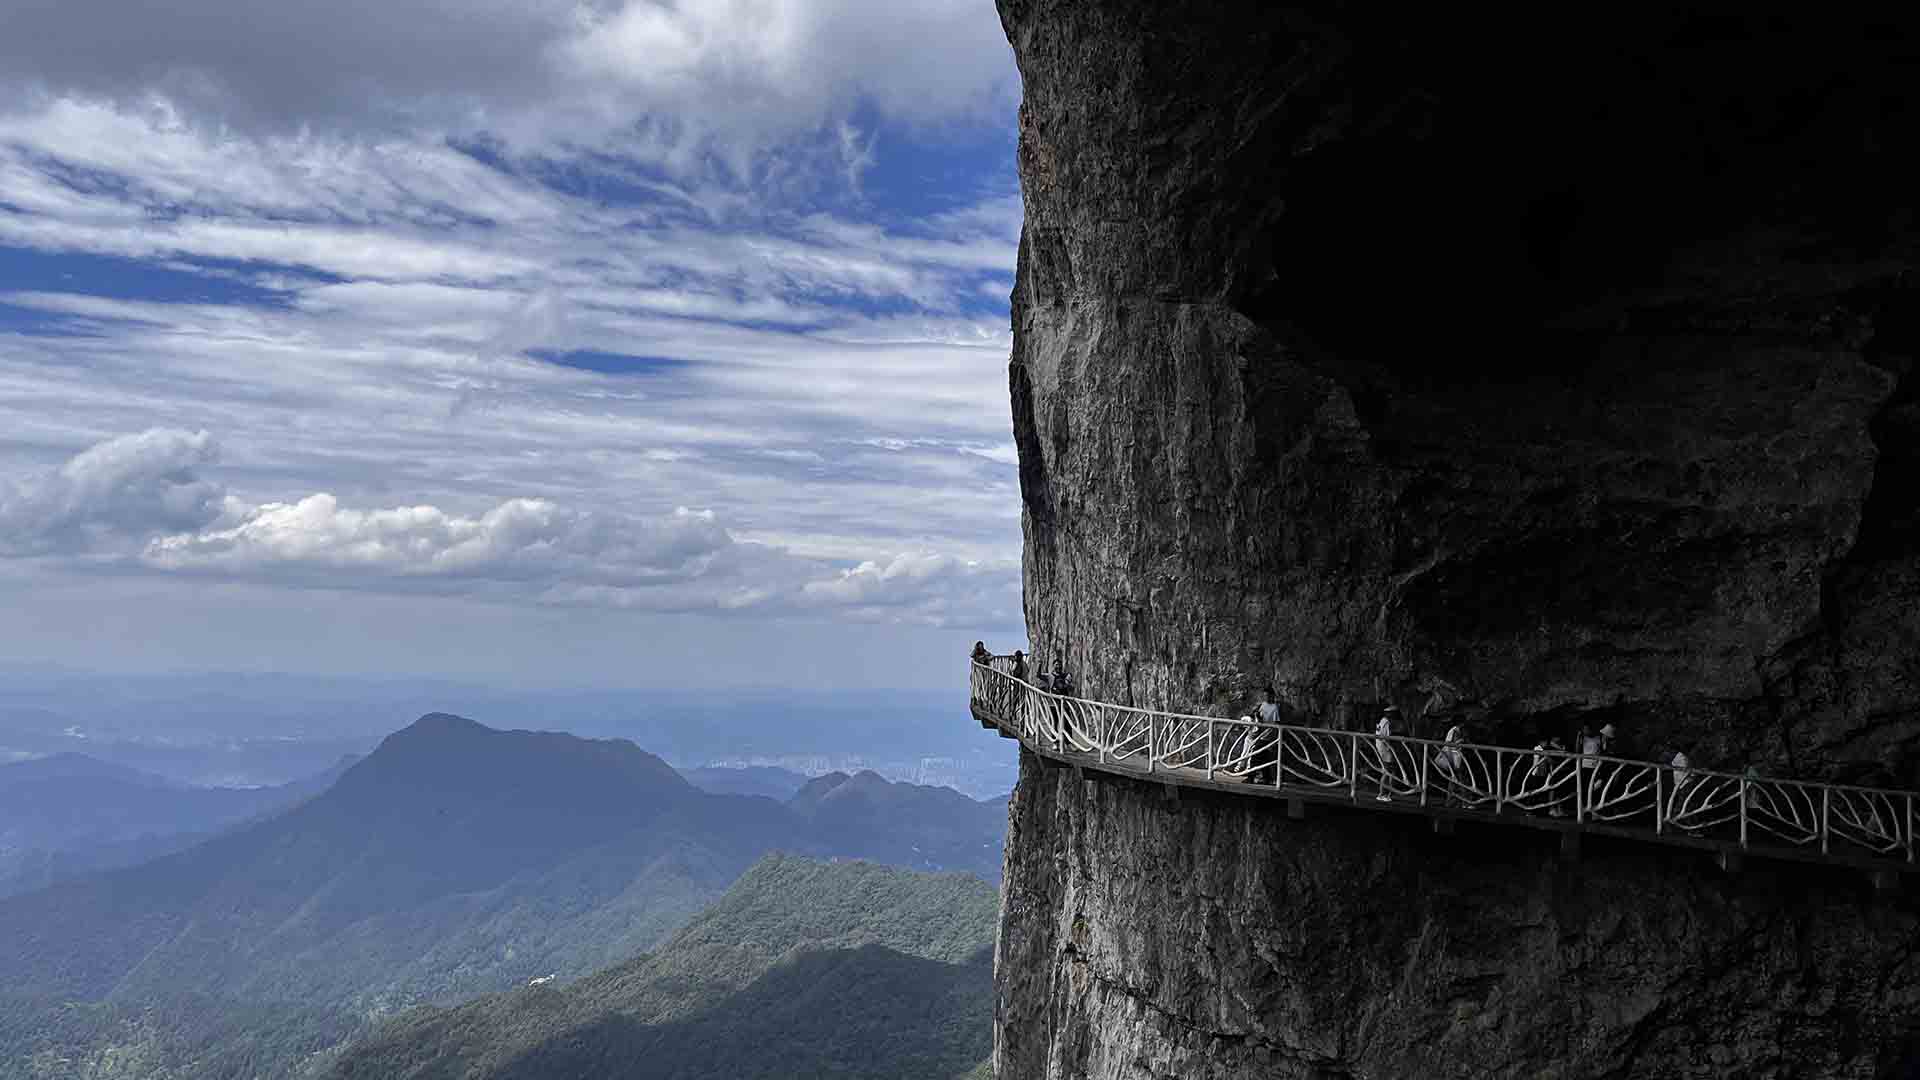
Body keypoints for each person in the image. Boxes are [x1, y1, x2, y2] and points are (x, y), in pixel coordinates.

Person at [1254, 686, 1281, 785]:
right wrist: (1257, 717)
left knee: (1264, 757)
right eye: (1264, 696)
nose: (1266, 697)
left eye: (1268, 696)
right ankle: (1263, 777)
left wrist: (1275, 739)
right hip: (1261, 735)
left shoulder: (1275, 708)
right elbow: (1260, 718)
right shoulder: (1263, 705)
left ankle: (1266, 778)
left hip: (1269, 737)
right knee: (1260, 756)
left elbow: (1277, 724)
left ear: (1272, 696)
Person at [1374, 706, 1399, 802]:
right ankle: (1382, 794)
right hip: (1385, 750)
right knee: (1387, 771)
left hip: (1380, 748)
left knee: (1389, 771)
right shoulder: (1387, 722)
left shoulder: (1382, 721)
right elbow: (1386, 738)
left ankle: (1387, 793)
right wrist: (1391, 748)